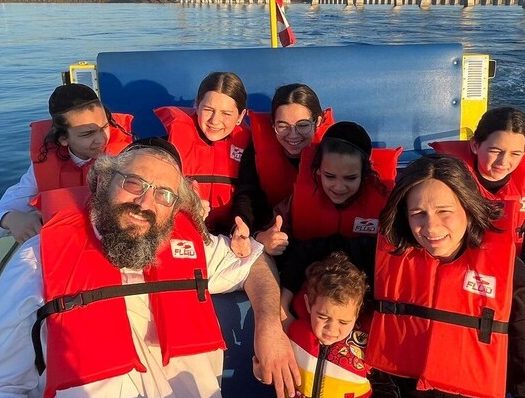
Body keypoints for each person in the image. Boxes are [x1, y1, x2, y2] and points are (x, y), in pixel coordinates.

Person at [0, 139, 299, 398]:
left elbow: (254, 261)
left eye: (164, 195)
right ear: (102, 183)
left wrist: (270, 325)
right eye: (134, 184)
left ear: (175, 210)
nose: (145, 203)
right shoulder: (37, 262)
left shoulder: (192, 252)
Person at [276, 154, 525, 398]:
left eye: (444, 211)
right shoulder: (387, 256)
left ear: (469, 209)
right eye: (418, 213)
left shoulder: (513, 282)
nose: (431, 227)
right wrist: (279, 311)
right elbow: (307, 251)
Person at [0, 84, 133, 244]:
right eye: (87, 134)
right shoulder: (42, 168)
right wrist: (12, 219)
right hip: (67, 243)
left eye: (104, 127)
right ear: (63, 139)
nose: (101, 139)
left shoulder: (130, 158)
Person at [431, 106, 525, 274]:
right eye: (495, 151)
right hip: (457, 272)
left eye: (515, 154)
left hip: (506, 273)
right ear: (475, 145)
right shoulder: (440, 181)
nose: (503, 161)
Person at [268, 251, 372, 398]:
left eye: (344, 322)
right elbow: (279, 309)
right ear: (308, 305)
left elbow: (389, 392)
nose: (331, 329)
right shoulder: (292, 333)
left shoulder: (368, 344)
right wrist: (262, 370)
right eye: (323, 317)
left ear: (357, 312)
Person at [256, 121, 398, 259]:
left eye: (350, 178)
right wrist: (265, 239)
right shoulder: (296, 202)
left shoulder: (387, 207)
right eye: (330, 176)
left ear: (364, 175)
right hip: (309, 275)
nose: (339, 187)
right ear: (318, 170)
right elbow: (265, 233)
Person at [229, 84, 333, 255]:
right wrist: (250, 233)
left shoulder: (335, 153)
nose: (292, 135)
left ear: (318, 121)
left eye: (303, 125)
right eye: (283, 126)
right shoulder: (255, 151)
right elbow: (247, 197)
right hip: (271, 238)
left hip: (321, 243)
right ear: (273, 125)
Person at [154, 72, 250, 236]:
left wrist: (241, 228)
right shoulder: (165, 147)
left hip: (233, 235)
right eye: (208, 109)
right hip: (181, 232)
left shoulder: (250, 149)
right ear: (197, 106)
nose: (215, 120)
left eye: (226, 113)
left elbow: (250, 195)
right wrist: (184, 207)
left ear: (240, 116)